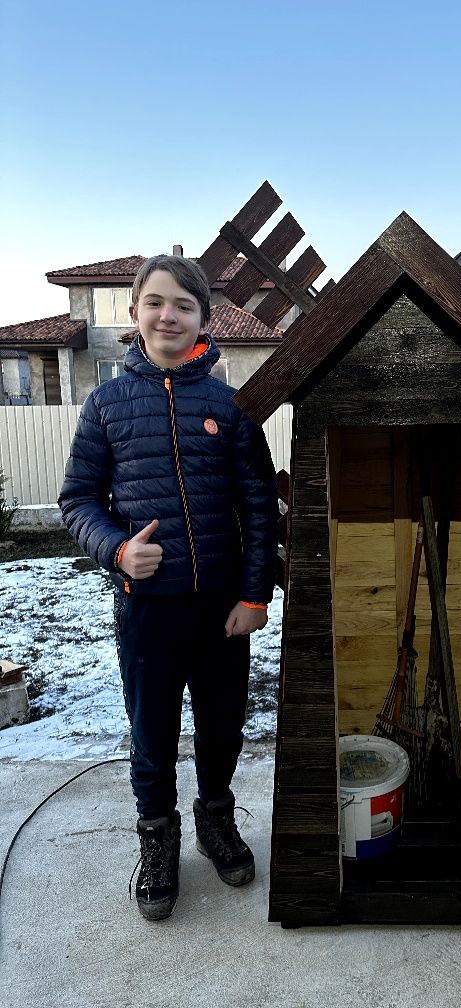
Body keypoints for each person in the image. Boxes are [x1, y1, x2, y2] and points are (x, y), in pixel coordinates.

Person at [58, 254, 278, 921]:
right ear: (134, 315)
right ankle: (158, 840)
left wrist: (253, 595)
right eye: (155, 303)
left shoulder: (231, 404)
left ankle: (214, 818)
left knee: (222, 730)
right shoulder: (106, 403)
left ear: (203, 320)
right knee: (152, 737)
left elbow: (259, 504)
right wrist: (119, 551)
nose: (167, 316)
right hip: (147, 611)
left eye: (183, 306)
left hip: (220, 612)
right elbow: (77, 502)